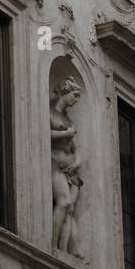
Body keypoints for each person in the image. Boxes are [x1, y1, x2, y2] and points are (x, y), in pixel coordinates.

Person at [50, 77, 83, 254]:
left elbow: (76, 149)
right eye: (75, 95)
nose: (76, 100)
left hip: (70, 168)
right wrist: (65, 134)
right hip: (54, 161)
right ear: (65, 91)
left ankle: (66, 252)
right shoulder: (49, 111)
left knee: (69, 210)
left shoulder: (69, 121)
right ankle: (54, 247)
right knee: (64, 202)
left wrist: (77, 162)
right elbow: (43, 131)